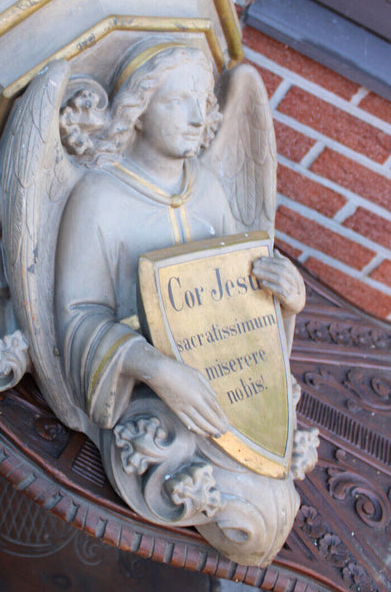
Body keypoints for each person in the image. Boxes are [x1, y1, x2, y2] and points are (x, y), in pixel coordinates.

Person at [55, 43, 304, 435]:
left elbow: (238, 300)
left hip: (226, 381)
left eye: (202, 101)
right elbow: (79, 321)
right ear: (137, 112)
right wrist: (157, 370)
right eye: (176, 101)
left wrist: (285, 300)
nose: (196, 118)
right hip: (147, 398)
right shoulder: (99, 200)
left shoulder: (208, 188)